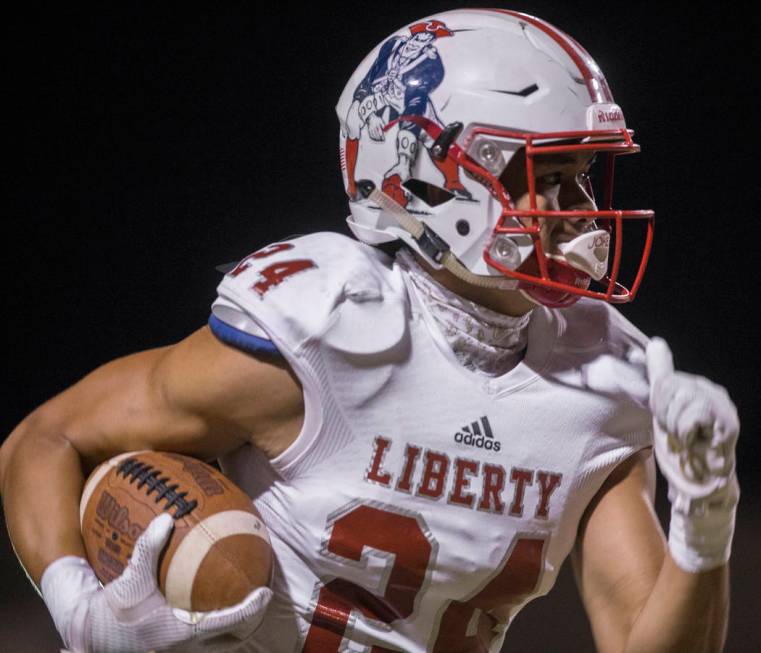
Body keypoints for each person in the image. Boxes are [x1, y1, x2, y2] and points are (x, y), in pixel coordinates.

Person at [0, 8, 739, 653]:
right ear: (424, 174)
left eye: (584, 175)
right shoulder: (327, 329)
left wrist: (707, 514)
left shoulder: (602, 379)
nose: (578, 209)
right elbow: (43, 439)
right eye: (546, 175)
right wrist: (78, 605)